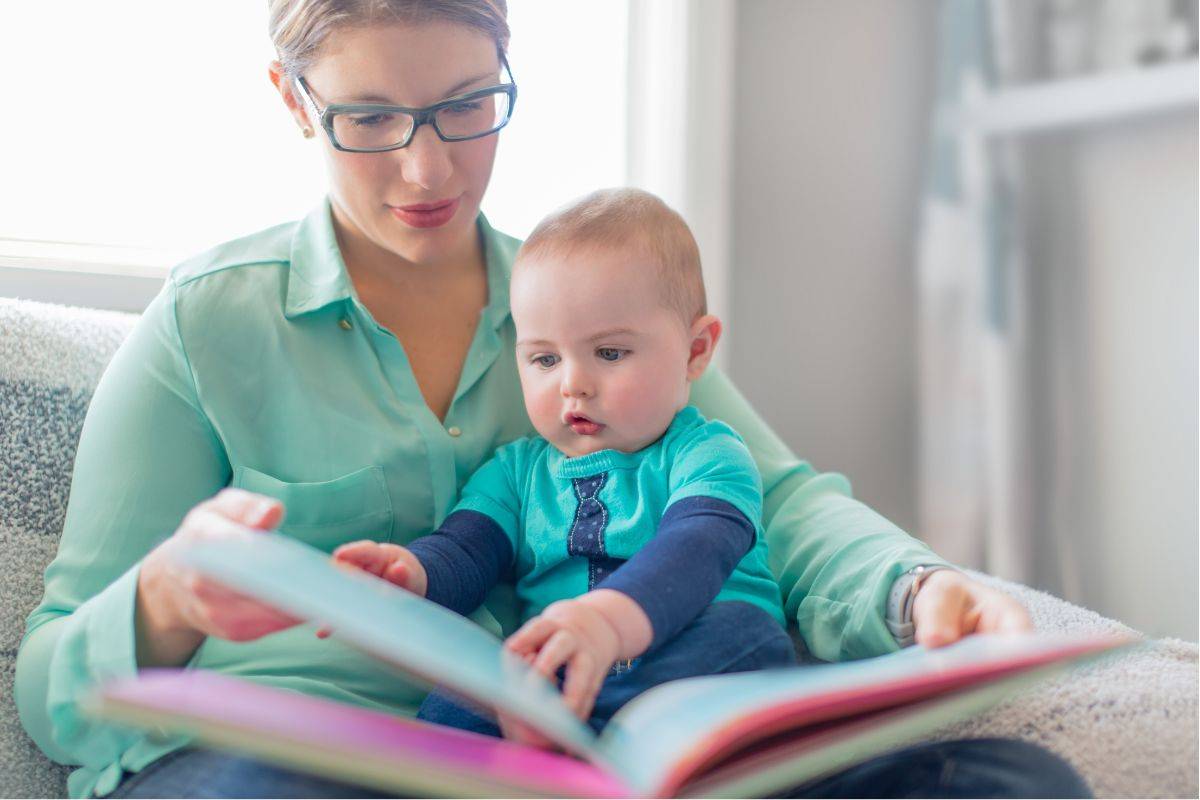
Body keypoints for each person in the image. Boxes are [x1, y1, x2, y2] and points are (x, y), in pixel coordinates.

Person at [13, 1, 1087, 798]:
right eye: (372, 117)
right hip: (296, 760)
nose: (427, 167)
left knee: (1006, 780)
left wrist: (912, 588)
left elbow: (778, 501)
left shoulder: (592, 308)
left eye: (466, 105)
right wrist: (169, 596)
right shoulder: (208, 324)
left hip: (565, 742)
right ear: (294, 99)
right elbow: (51, 683)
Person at [332, 188, 797, 741]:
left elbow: (698, 547)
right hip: (559, 676)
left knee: (749, 637)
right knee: (453, 702)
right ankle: (537, 746)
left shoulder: (706, 453)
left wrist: (605, 621)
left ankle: (577, 732)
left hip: (690, 655)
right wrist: (412, 575)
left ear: (696, 351)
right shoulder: (515, 473)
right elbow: (465, 550)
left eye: (609, 353)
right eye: (546, 359)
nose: (573, 383)